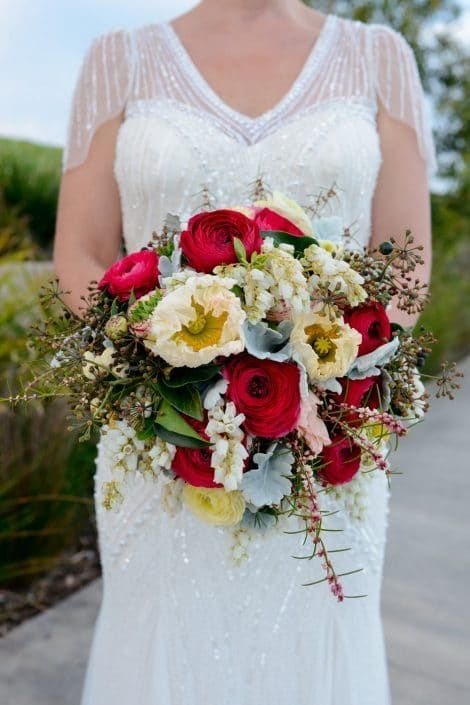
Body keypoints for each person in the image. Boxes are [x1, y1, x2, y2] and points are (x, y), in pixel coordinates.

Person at [53, 1, 435, 703]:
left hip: (324, 449)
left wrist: (320, 379)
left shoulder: (380, 59)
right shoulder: (119, 59)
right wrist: (169, 374)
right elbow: (79, 254)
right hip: (160, 445)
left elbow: (406, 268)